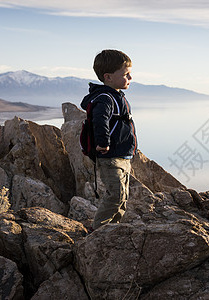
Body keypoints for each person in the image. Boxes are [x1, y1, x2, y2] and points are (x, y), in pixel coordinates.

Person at [80, 49, 137, 231]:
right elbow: (100, 120)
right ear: (108, 77)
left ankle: (113, 230)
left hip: (122, 156)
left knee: (123, 197)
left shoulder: (116, 95)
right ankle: (98, 230)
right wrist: (103, 142)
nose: (130, 77)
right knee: (116, 195)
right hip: (110, 156)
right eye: (126, 74)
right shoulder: (105, 98)